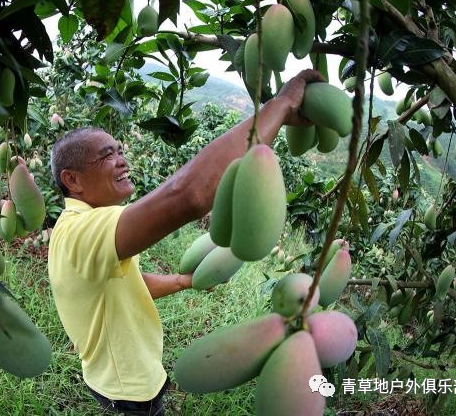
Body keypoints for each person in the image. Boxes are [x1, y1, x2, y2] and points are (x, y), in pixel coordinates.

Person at [47, 69, 324, 415]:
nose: (122, 160)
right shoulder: (81, 232)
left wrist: (183, 281)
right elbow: (189, 194)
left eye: (120, 150)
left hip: (125, 377)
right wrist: (279, 106)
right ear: (72, 180)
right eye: (107, 155)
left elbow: (127, 284)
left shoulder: (83, 231)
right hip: (129, 390)